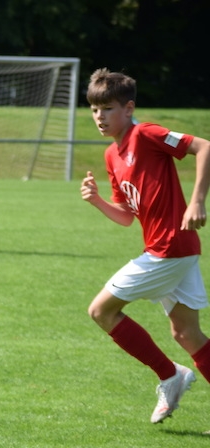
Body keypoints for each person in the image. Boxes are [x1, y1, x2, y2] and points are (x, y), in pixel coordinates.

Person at [80, 68, 210, 424]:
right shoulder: (112, 155)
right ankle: (173, 374)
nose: (100, 117)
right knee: (186, 333)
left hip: (170, 248)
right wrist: (97, 201)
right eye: (94, 109)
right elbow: (126, 216)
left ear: (128, 108)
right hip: (172, 250)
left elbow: (204, 147)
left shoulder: (146, 134)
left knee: (101, 311)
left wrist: (197, 201)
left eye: (108, 108)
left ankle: (170, 374)